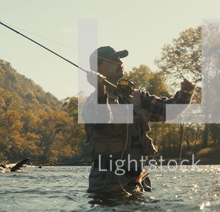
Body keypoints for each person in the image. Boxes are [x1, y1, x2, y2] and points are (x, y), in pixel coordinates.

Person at [82, 45, 194, 195]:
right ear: (99, 68)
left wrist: (186, 93)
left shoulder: (136, 97)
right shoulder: (92, 102)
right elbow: (104, 122)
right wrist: (101, 94)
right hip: (107, 184)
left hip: (137, 182)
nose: (120, 63)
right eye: (114, 60)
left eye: (120, 60)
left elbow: (168, 110)